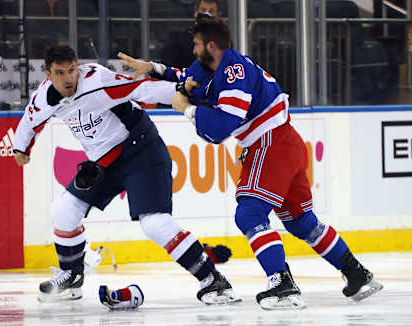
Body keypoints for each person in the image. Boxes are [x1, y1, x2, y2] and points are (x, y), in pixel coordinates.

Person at [118, 15, 383, 310]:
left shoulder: (234, 72)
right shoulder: (213, 65)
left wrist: (187, 110)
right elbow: (186, 78)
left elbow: (220, 127)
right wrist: (152, 69)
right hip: (284, 142)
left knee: (249, 214)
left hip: (271, 144)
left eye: (195, 45)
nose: (192, 51)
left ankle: (282, 284)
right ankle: (357, 273)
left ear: (211, 46)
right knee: (300, 221)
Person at [12, 44, 240, 305]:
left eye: (72, 70)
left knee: (154, 223)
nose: (68, 78)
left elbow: (140, 88)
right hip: (104, 163)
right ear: (48, 75)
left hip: (141, 150)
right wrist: (21, 148)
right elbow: (30, 122)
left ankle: (213, 280)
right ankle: (72, 274)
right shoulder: (43, 97)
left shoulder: (96, 80)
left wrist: (180, 92)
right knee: (63, 211)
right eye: (60, 73)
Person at [161, 0, 221, 69]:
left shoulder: (223, 41)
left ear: (217, 15)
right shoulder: (178, 41)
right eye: (203, 10)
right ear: (196, 12)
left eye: (211, 11)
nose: (207, 14)